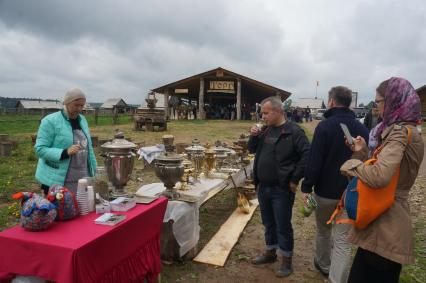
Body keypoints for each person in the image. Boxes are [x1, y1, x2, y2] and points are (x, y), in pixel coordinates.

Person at [340, 77, 424, 283]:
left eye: (378, 102)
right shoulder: (406, 130)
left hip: (386, 222)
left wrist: (352, 165)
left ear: (393, 100)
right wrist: (362, 153)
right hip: (384, 218)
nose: (375, 108)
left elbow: (379, 175)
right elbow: (387, 169)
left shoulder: (400, 132)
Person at [301, 86, 369, 283]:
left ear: (331, 101)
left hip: (325, 193)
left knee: (323, 230)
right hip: (351, 193)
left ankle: (323, 265)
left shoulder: (324, 126)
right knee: (342, 240)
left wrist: (306, 187)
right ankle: (336, 279)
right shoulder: (363, 128)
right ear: (349, 103)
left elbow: (314, 161)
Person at [248, 96, 310, 277]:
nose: (263, 116)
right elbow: (252, 150)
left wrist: (294, 179)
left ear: (278, 111)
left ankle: (286, 260)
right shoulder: (265, 131)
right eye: (262, 113)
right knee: (268, 223)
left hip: (281, 189)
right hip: (264, 186)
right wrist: (253, 136)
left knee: (282, 225)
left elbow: (307, 156)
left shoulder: (294, 132)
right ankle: (270, 252)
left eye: (266, 113)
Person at [35, 88, 97, 195]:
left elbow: (89, 148)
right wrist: (65, 152)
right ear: (67, 102)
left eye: (82, 105)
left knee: (82, 207)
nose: (79, 109)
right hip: (57, 179)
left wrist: (95, 171)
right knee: (60, 209)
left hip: (81, 176)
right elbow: (40, 149)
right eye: (76, 105)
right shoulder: (50, 121)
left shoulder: (82, 120)